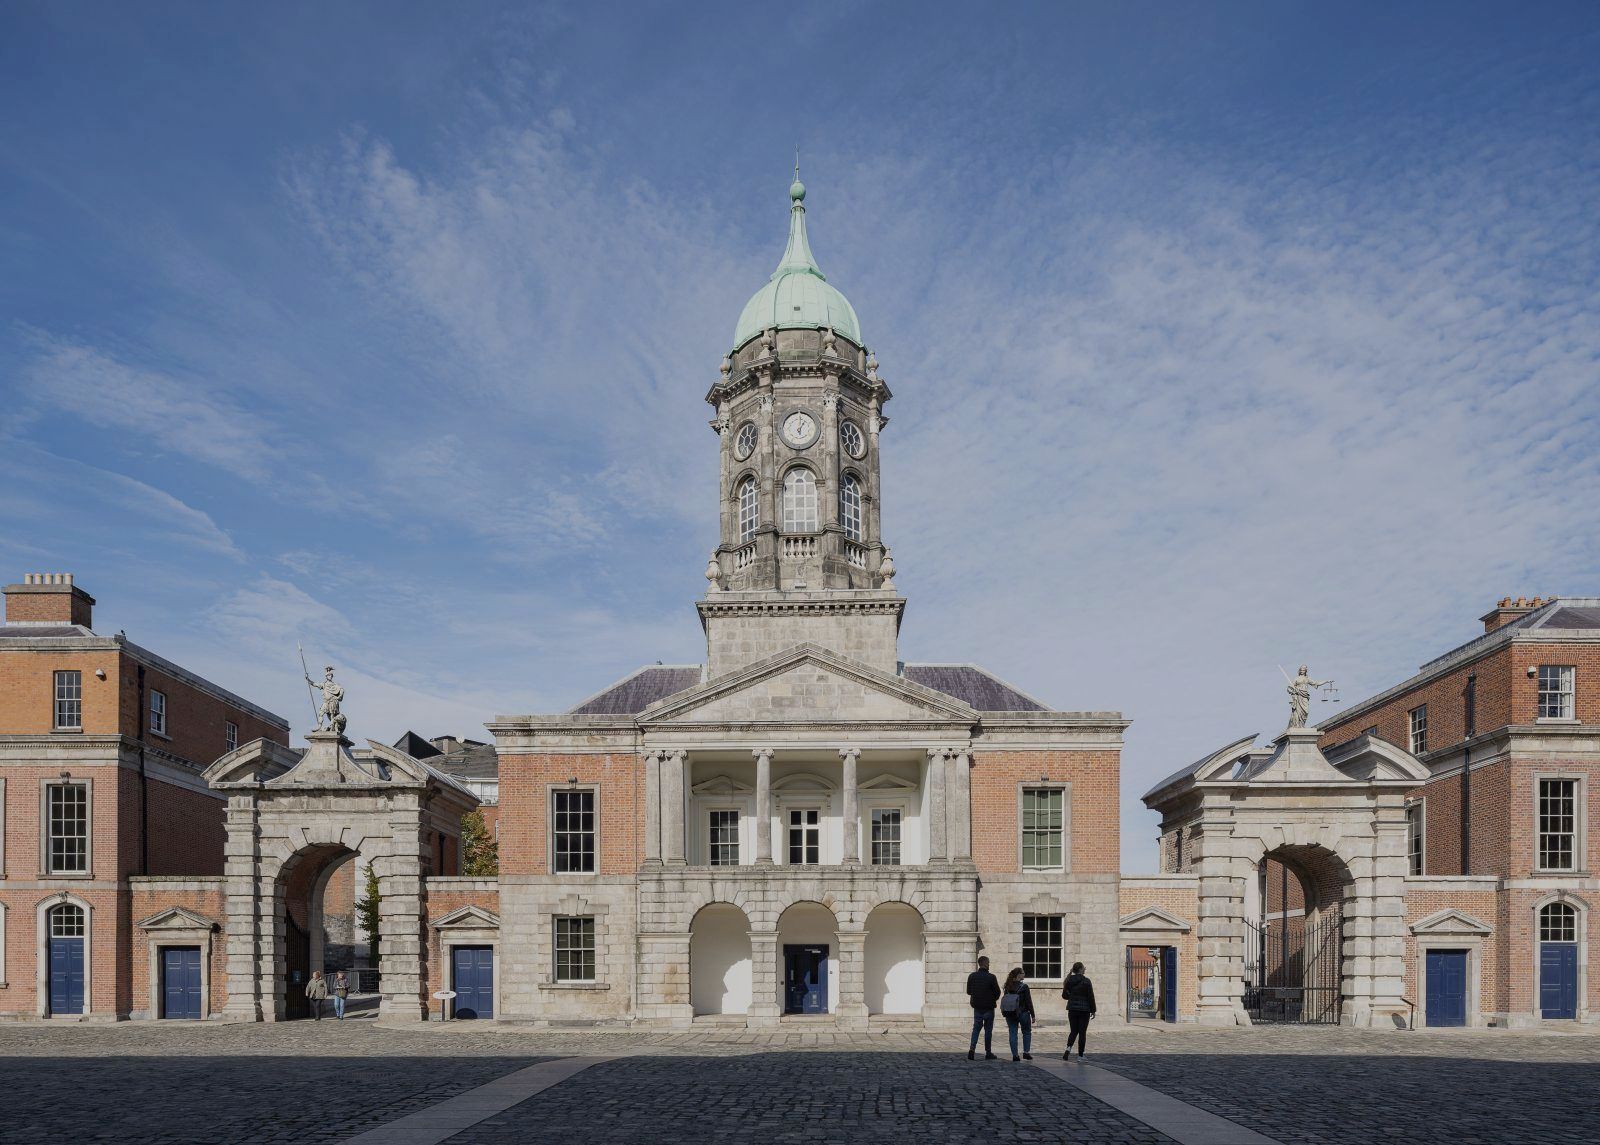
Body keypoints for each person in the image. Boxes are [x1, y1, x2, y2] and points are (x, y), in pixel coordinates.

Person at [965, 955, 1002, 1060]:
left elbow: (968, 992)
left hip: (977, 1007)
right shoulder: (991, 977)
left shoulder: (972, 976)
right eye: (988, 962)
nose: (989, 964)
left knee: (976, 1029)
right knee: (988, 1030)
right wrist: (991, 998)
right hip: (989, 1008)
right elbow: (997, 992)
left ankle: (972, 1050)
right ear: (985, 963)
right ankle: (988, 1052)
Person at [1061, 961, 1096, 1060]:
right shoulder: (1086, 981)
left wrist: (1072, 997)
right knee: (1082, 1033)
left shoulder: (1068, 980)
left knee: (1073, 1031)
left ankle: (1068, 1049)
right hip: (1084, 1010)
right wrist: (1093, 1010)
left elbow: (1064, 996)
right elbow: (1091, 997)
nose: (1085, 969)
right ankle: (1080, 1056)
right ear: (1080, 969)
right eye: (1084, 967)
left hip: (1072, 1009)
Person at [1000, 967, 1036, 1061]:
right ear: (1019, 975)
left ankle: (1015, 1055)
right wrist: (1033, 1015)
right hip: (1023, 1012)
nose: (1024, 974)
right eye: (1023, 973)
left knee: (1012, 1033)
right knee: (1026, 1032)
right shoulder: (1024, 987)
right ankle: (1026, 1052)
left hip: (1010, 1012)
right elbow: (1029, 1002)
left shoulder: (1008, 986)